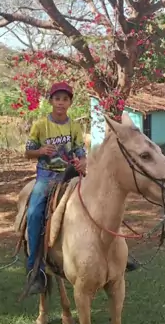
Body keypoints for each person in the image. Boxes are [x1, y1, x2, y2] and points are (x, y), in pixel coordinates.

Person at [24, 81, 138, 296]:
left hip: (71, 175)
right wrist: (40, 151)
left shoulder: (74, 127)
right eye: (57, 99)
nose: (61, 103)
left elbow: (80, 153)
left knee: (106, 202)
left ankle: (121, 255)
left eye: (65, 99)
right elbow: (28, 152)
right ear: (51, 101)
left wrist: (82, 163)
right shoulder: (40, 125)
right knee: (34, 211)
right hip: (47, 177)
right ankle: (35, 270)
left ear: (69, 103)